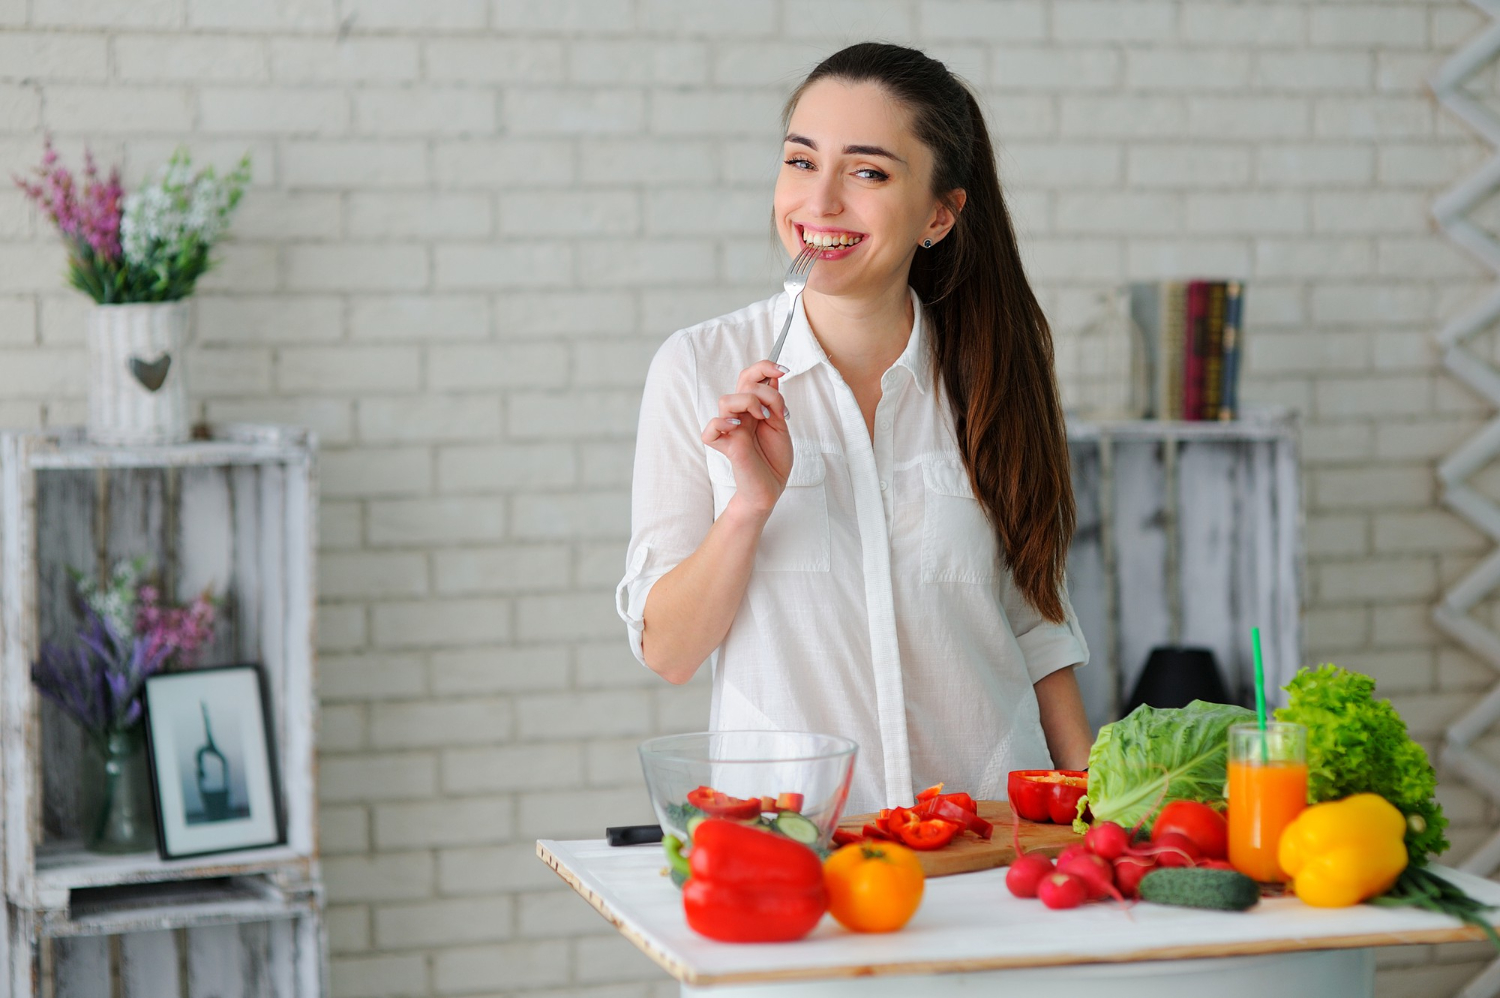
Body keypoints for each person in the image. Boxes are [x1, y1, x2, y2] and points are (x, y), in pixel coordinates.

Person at [616, 42, 1092, 815]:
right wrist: (748, 505)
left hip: (988, 836)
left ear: (939, 214)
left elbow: (1037, 626)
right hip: (797, 843)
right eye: (801, 161)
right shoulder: (697, 369)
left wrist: (1104, 812)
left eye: (868, 172)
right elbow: (669, 651)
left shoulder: (991, 375)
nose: (820, 201)